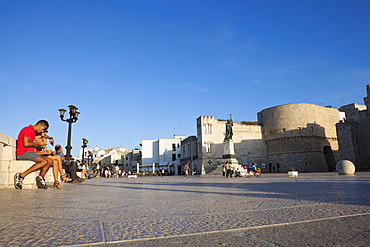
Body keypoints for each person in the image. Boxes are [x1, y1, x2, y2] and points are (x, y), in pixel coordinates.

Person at [14, 120, 59, 189]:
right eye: (43, 129)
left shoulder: (33, 131)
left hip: (30, 152)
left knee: (50, 161)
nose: (42, 131)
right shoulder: (28, 130)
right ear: (39, 126)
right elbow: (26, 144)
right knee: (44, 161)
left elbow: (43, 135)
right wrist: (38, 144)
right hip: (23, 153)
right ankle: (21, 176)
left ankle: (40, 178)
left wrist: (50, 138)